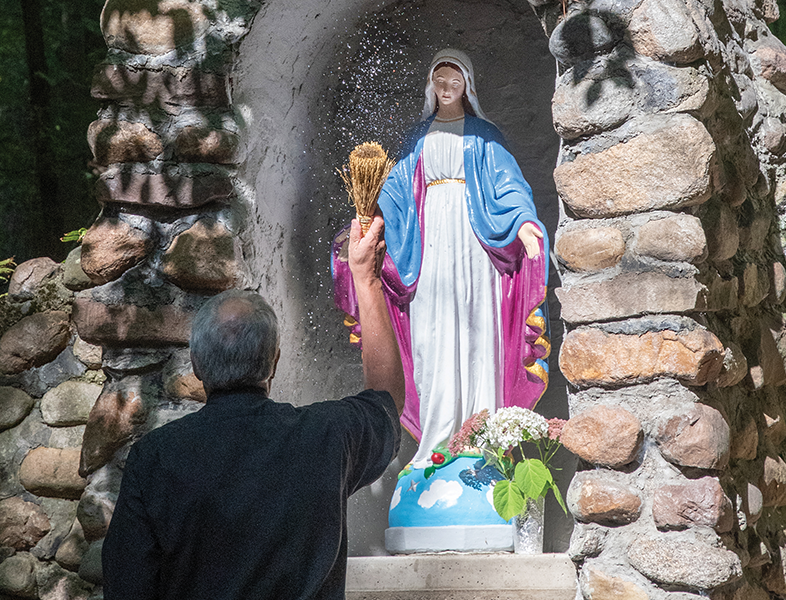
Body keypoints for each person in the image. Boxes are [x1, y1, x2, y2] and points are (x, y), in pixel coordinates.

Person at [102, 214, 403, 600]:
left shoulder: (154, 460)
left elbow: (127, 587)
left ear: (196, 364)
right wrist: (367, 279)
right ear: (274, 361)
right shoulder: (326, 437)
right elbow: (387, 400)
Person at [332, 49, 550, 470]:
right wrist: (368, 216)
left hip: (474, 246)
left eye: (454, 81)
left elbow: (509, 185)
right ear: (431, 86)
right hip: (429, 249)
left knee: (475, 332)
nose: (447, 88)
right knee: (431, 334)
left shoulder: (484, 134)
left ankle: (482, 440)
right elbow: (396, 194)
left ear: (467, 85)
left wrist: (523, 223)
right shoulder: (418, 137)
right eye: (440, 81)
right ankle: (437, 439)